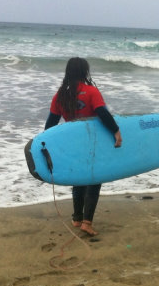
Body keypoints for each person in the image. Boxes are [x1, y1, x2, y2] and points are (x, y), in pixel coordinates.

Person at [44, 57, 122, 236]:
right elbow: (102, 113)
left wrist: (52, 146)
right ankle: (87, 222)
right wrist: (116, 131)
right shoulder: (91, 92)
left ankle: (77, 218)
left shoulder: (60, 95)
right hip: (91, 143)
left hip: (73, 146)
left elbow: (50, 125)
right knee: (94, 180)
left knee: (78, 180)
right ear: (85, 72)